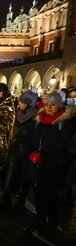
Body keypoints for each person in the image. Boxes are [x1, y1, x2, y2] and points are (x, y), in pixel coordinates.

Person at [26, 91, 75, 237]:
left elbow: (61, 145)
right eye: (47, 104)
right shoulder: (38, 120)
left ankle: (52, 226)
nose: (49, 107)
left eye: (53, 104)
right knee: (39, 197)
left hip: (54, 167)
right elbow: (29, 139)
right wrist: (31, 153)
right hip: (37, 166)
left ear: (59, 105)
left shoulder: (65, 122)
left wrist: (43, 156)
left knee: (52, 198)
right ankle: (40, 223)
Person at [0, 89, 39, 212]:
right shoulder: (19, 113)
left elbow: (30, 135)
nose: (19, 103)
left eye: (21, 101)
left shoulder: (34, 117)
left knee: (23, 179)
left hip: (25, 152)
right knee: (7, 176)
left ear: (26, 103)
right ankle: (7, 201)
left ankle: (20, 204)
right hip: (14, 150)